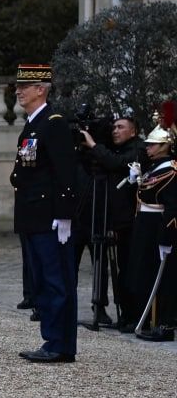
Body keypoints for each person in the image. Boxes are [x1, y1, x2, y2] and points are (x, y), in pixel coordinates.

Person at [10, 64, 78, 363]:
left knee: (55, 281)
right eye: (18, 87)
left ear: (41, 89)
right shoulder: (33, 124)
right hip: (32, 215)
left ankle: (60, 343)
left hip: (49, 216)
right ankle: (52, 339)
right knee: (41, 281)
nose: (19, 91)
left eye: (25, 86)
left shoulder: (54, 123)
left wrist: (64, 215)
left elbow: (66, 174)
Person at [75, 115, 145, 330]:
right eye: (113, 127)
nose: (115, 131)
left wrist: (94, 145)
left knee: (128, 270)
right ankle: (124, 314)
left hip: (129, 222)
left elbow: (117, 164)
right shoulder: (111, 150)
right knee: (120, 270)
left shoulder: (138, 149)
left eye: (120, 127)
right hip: (113, 219)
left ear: (133, 131)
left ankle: (131, 315)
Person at [127, 103, 176, 342]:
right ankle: (145, 318)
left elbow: (172, 206)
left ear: (165, 146)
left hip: (158, 225)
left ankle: (163, 324)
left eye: (153, 145)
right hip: (145, 224)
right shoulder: (154, 167)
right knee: (143, 272)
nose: (149, 148)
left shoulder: (171, 170)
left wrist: (167, 235)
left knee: (163, 277)